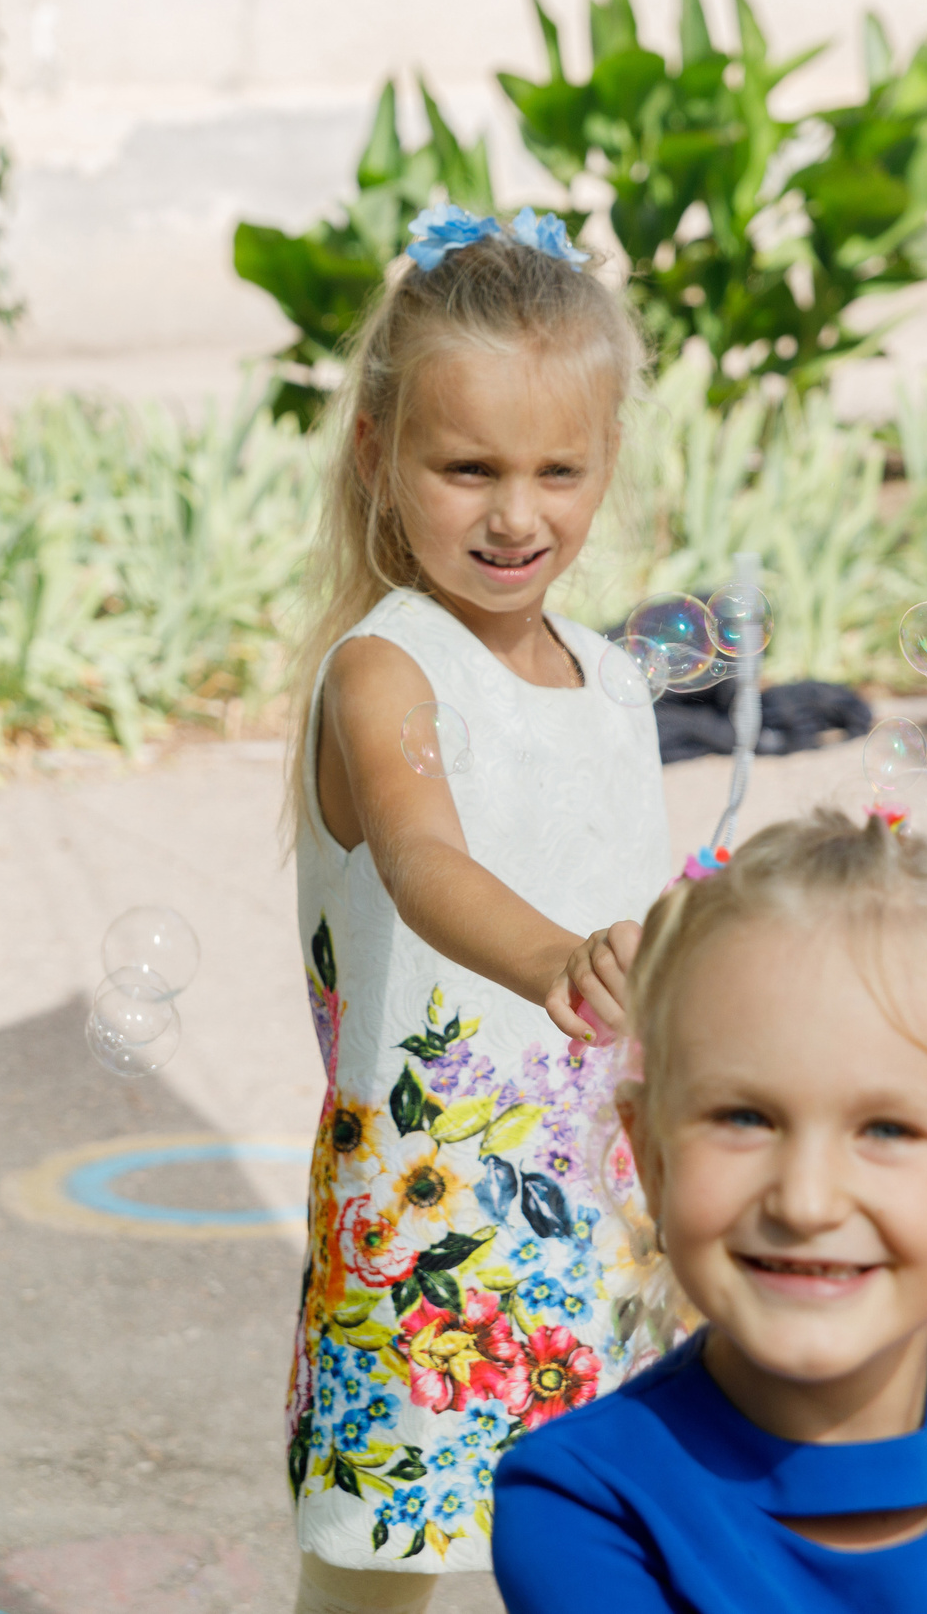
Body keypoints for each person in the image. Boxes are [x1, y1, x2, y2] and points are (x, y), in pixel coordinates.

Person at [282, 204, 674, 1614]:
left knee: (602, 1539)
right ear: (383, 452)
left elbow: (639, 907)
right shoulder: (387, 670)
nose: (518, 513)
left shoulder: (615, 681)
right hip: (431, 1206)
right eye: (468, 468)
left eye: (558, 468)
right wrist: (559, 956)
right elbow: (427, 860)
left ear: (604, 463)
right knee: (384, 1562)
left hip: (601, 1191)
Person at [492, 809, 927, 1611]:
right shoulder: (584, 1502)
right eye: (745, 1116)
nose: (806, 1199)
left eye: (887, 1128)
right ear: (651, 1156)